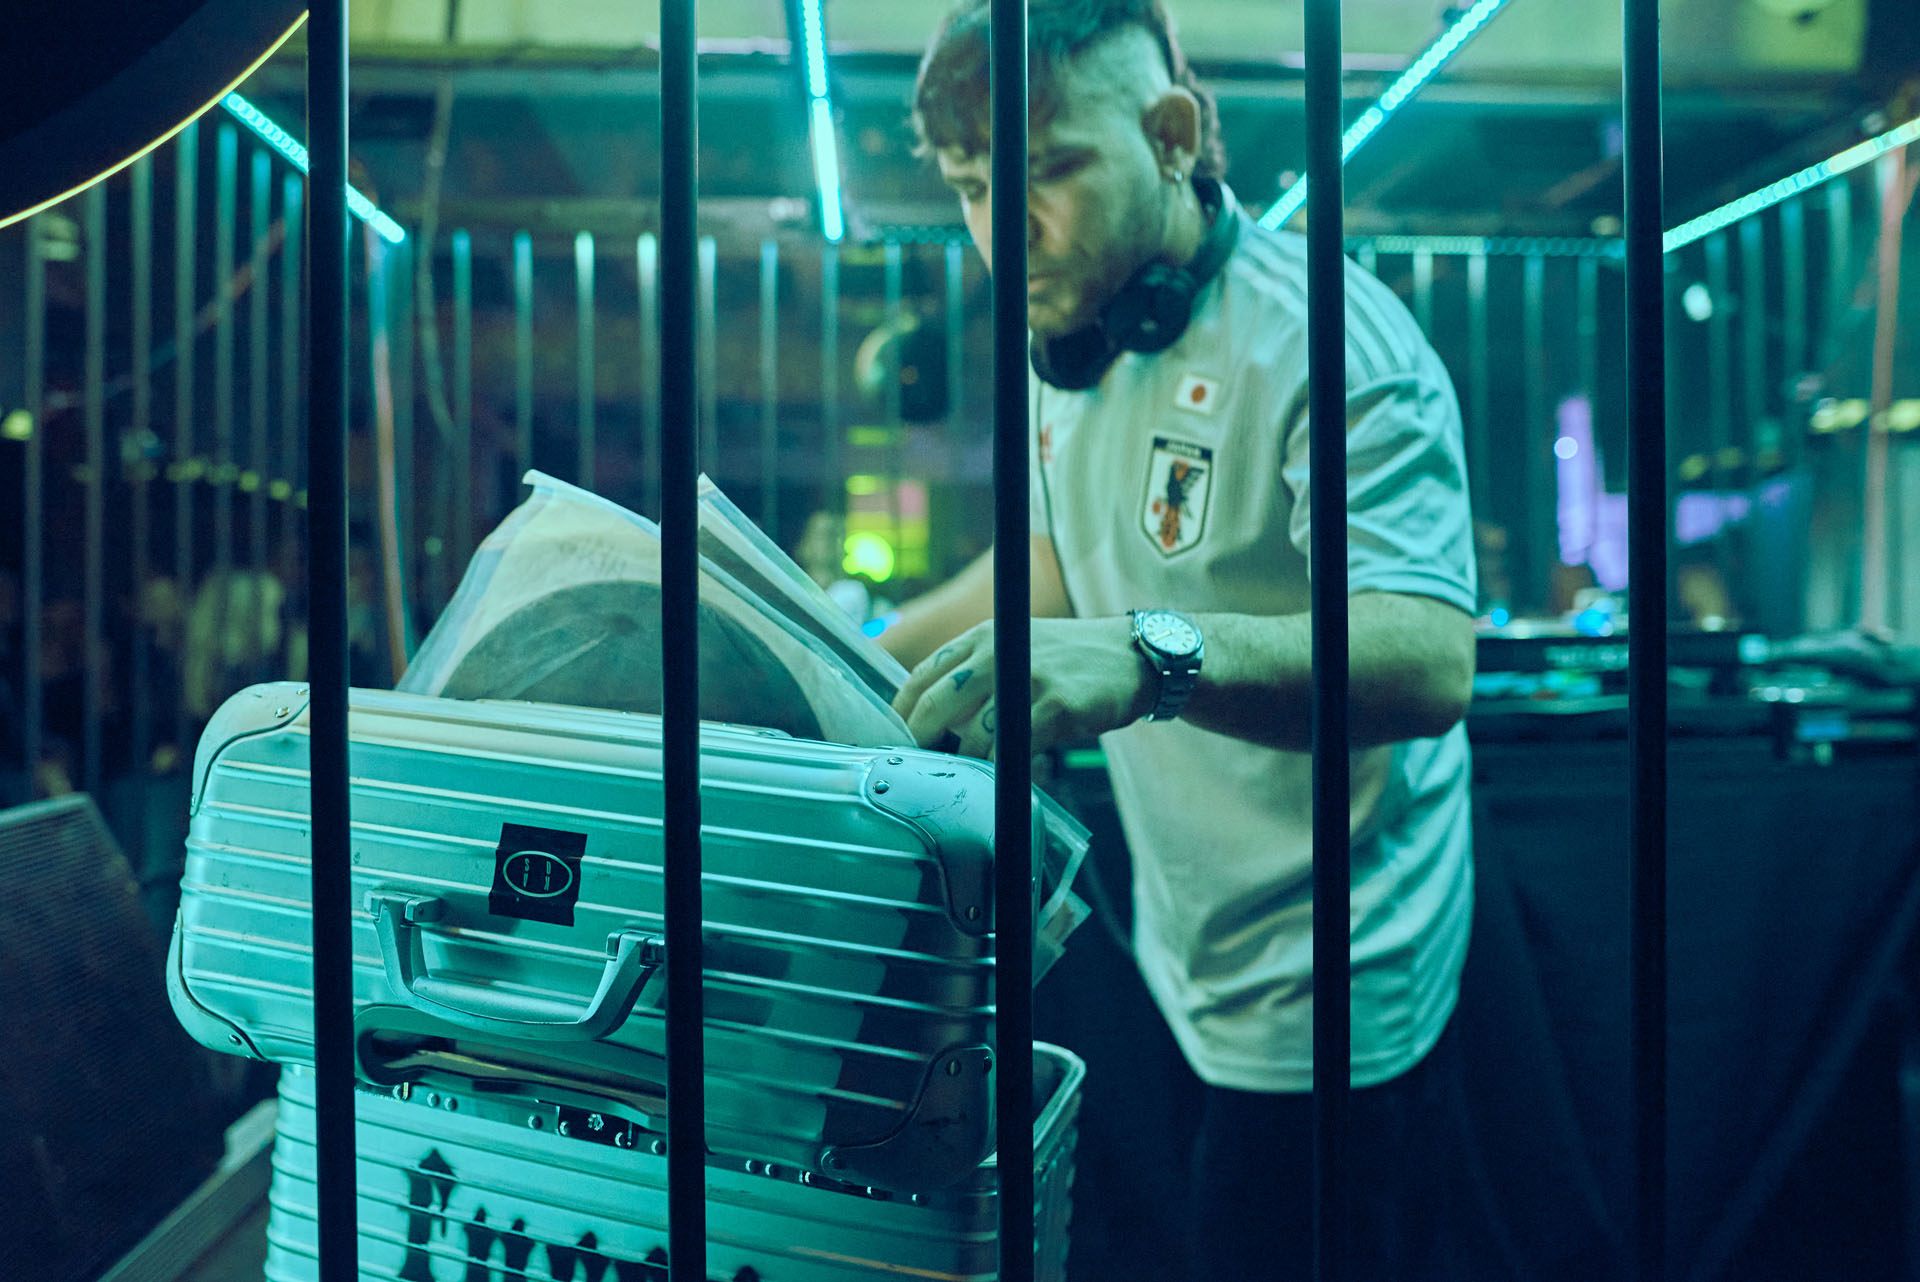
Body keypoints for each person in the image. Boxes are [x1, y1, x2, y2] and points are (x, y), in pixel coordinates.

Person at [882, 2, 1481, 1276]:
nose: (1004, 230)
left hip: (1336, 971)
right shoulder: (1074, 335)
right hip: (1181, 943)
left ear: (1170, 136)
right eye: (974, 189)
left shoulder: (1332, 340)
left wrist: (1148, 656)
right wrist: (853, 642)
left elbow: (1428, 655)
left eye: (1048, 171)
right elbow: (1059, 560)